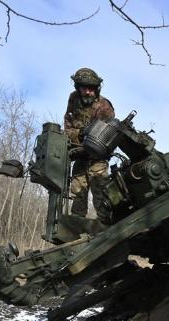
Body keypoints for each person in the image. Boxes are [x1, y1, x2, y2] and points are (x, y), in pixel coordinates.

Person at [63, 67, 115, 223]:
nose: (87, 92)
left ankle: (107, 228)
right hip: (79, 156)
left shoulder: (104, 106)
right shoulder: (73, 99)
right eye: (84, 88)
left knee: (101, 196)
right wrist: (80, 134)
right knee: (77, 194)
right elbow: (67, 127)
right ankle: (76, 230)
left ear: (96, 89)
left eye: (91, 89)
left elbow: (105, 136)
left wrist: (82, 134)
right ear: (78, 88)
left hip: (97, 158)